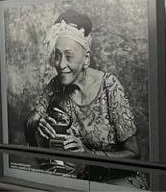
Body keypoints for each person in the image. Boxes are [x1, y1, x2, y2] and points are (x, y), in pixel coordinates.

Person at [25, 10, 146, 188]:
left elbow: (134, 154)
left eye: (68, 56)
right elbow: (30, 124)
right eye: (57, 56)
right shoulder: (55, 85)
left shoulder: (109, 86)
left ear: (86, 58)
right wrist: (36, 122)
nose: (60, 65)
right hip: (81, 183)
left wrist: (88, 154)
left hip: (119, 183)